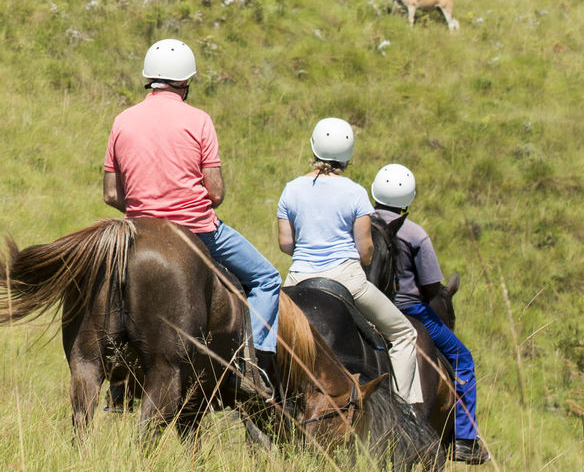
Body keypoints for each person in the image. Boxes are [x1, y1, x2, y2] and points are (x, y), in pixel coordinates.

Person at [103, 39, 281, 384]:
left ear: (149, 78)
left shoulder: (122, 120)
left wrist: (146, 207)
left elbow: (111, 193)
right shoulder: (199, 120)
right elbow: (214, 192)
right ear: (185, 82)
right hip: (197, 230)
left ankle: (120, 375)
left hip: (137, 233)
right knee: (266, 278)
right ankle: (254, 366)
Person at [276, 119, 420, 407]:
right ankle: (407, 412)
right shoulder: (355, 193)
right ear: (348, 156)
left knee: (267, 333)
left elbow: (285, 244)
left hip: (298, 277)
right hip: (345, 278)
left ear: (313, 148)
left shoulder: (291, 189)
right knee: (405, 333)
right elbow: (365, 250)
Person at [373, 164, 490, 465]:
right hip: (411, 309)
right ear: (408, 198)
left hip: (369, 303)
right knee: (463, 359)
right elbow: (430, 288)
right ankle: (465, 439)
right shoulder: (414, 234)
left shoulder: (361, 222)